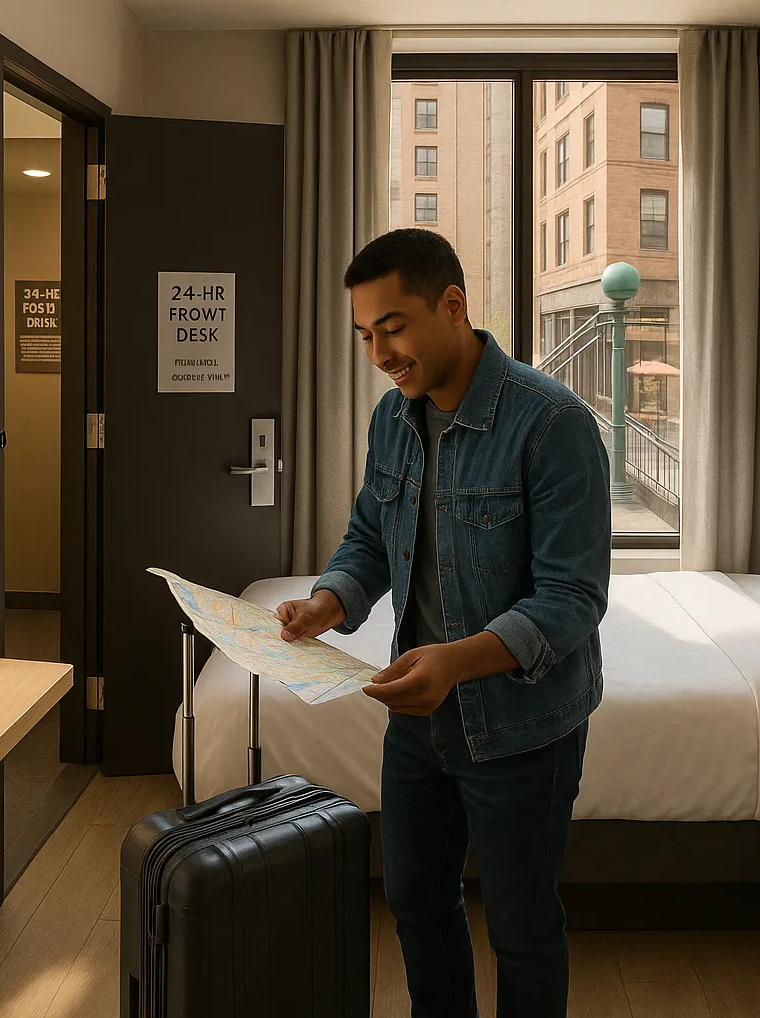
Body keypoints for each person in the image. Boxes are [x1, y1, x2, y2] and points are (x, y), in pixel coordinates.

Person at [276, 228, 612, 1017]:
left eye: (392, 327)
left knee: (524, 931)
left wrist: (454, 663)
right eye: (365, 335)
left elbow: (573, 598)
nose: (379, 353)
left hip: (524, 728)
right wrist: (327, 604)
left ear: (452, 306)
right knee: (417, 906)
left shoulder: (550, 423)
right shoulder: (392, 419)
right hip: (417, 723)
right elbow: (368, 536)